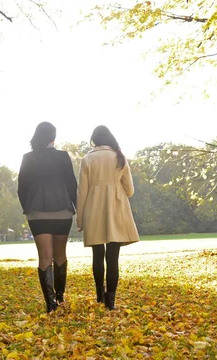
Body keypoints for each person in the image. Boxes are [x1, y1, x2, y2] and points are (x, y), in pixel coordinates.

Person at [77, 125, 139, 310]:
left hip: (94, 209)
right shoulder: (119, 157)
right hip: (116, 209)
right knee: (113, 257)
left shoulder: (87, 159)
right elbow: (130, 190)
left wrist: (80, 219)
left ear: (94, 140)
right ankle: (110, 302)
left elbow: (82, 192)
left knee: (97, 255)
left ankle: (99, 295)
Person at [17, 122, 77, 313]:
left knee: (44, 256)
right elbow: (71, 185)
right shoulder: (62, 157)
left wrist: (27, 208)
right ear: (53, 137)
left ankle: (50, 304)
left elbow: (21, 188)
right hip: (62, 211)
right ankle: (59, 297)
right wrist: (76, 208)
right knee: (60, 254)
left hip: (37, 213)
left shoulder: (28, 158)